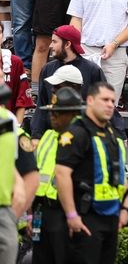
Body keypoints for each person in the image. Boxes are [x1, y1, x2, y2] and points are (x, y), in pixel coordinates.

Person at [54, 82, 128, 262]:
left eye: (112, 100)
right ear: (90, 100)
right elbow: (61, 174)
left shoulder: (114, 134)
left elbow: (121, 176)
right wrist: (72, 215)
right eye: (105, 100)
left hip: (111, 217)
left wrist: (125, 208)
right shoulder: (76, 133)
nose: (110, 104)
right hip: (85, 217)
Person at [30, 84, 84, 262]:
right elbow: (34, 174)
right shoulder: (47, 136)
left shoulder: (81, 140)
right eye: (51, 112)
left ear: (72, 114)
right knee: (40, 257)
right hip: (41, 211)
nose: (52, 116)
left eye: (57, 112)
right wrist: (30, 215)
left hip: (64, 212)